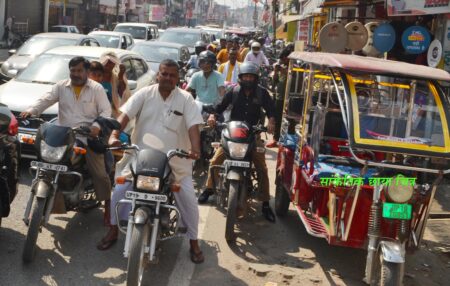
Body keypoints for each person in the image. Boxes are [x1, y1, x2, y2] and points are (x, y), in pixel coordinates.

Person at [97, 59, 205, 264]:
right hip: (142, 157)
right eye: (164, 74)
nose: (167, 78)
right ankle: (113, 230)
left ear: (177, 78)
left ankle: (193, 242)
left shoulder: (186, 99)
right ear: (158, 75)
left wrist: (195, 149)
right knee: (119, 191)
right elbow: (125, 116)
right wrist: (113, 135)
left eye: (172, 75)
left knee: (189, 199)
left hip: (175, 160)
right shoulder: (145, 93)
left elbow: (193, 127)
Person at [20, 56, 112, 224]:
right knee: (47, 167)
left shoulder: (96, 89)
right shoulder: (61, 86)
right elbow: (46, 99)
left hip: (86, 137)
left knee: (99, 172)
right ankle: (45, 205)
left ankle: (108, 206)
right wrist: (32, 110)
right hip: (64, 136)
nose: (75, 74)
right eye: (72, 70)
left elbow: (106, 111)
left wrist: (97, 126)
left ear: (87, 72)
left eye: (79, 70)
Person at [198, 62, 276, 223]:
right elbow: (219, 107)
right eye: (245, 76)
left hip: (253, 134)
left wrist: (271, 122)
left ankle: (266, 203)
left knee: (261, 167)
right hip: (232, 133)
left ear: (255, 78)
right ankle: (209, 189)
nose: (248, 79)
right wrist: (213, 116)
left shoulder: (262, 93)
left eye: (251, 77)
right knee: (215, 161)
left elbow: (271, 110)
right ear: (240, 78)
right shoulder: (233, 91)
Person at [266, 49, 290, 148]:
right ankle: (276, 139)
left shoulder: (293, 68)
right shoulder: (282, 68)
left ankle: (284, 140)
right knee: (277, 119)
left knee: (287, 121)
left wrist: (283, 71)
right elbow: (274, 82)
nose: (283, 61)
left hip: (288, 98)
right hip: (279, 97)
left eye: (284, 58)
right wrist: (276, 72)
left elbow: (292, 76)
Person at [99, 51, 131, 118]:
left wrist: (121, 77)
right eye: (106, 62)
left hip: (111, 115)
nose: (108, 65)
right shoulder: (94, 77)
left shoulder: (116, 78)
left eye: (111, 63)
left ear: (114, 64)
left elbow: (123, 94)